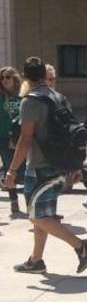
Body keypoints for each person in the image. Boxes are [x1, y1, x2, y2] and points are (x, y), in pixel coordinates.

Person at [6, 57, 87, 274]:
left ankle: (81, 246)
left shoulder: (31, 101)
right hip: (59, 164)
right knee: (43, 216)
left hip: (40, 167)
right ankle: (36, 260)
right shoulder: (58, 97)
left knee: (36, 215)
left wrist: (11, 169)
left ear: (25, 76)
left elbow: (25, 138)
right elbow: (71, 132)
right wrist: (74, 166)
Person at [1, 67, 23, 217]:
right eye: (2, 78)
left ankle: (20, 200)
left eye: (7, 77)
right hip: (2, 135)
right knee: (9, 167)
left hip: (17, 137)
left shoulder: (22, 96)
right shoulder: (1, 96)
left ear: (14, 78)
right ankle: (13, 199)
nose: (4, 80)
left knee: (17, 168)